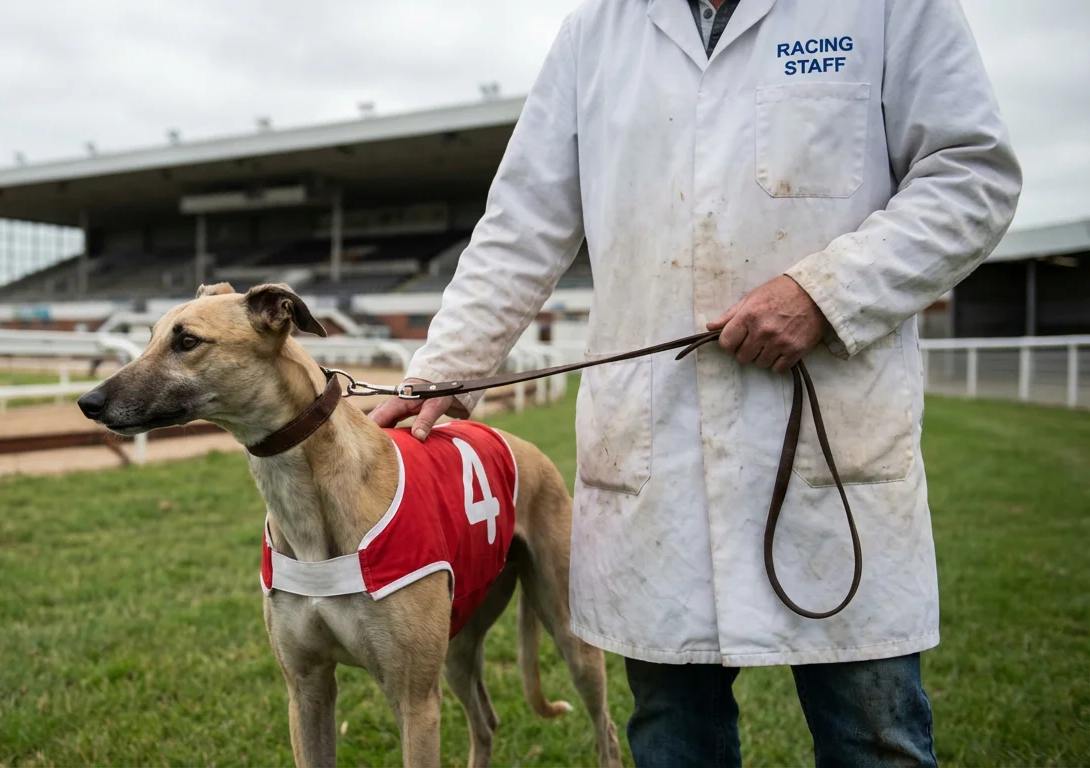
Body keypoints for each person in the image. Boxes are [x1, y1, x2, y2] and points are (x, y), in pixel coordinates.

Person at [369, 0, 1021, 764]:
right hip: (657, 460)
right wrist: (443, 369)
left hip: (826, 446)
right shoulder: (596, 32)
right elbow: (522, 218)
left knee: (872, 734)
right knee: (673, 733)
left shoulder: (890, 7)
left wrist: (826, 292)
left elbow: (971, 174)